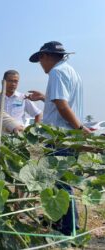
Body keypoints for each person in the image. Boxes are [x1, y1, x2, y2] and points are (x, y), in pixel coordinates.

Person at [27, 41, 90, 235]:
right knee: (61, 182)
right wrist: (43, 97)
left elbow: (62, 106)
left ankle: (68, 228)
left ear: (45, 56)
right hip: (69, 136)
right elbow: (60, 102)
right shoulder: (71, 72)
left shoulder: (56, 72)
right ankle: (61, 222)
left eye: (40, 60)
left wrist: (80, 128)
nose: (41, 65)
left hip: (59, 137)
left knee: (61, 184)